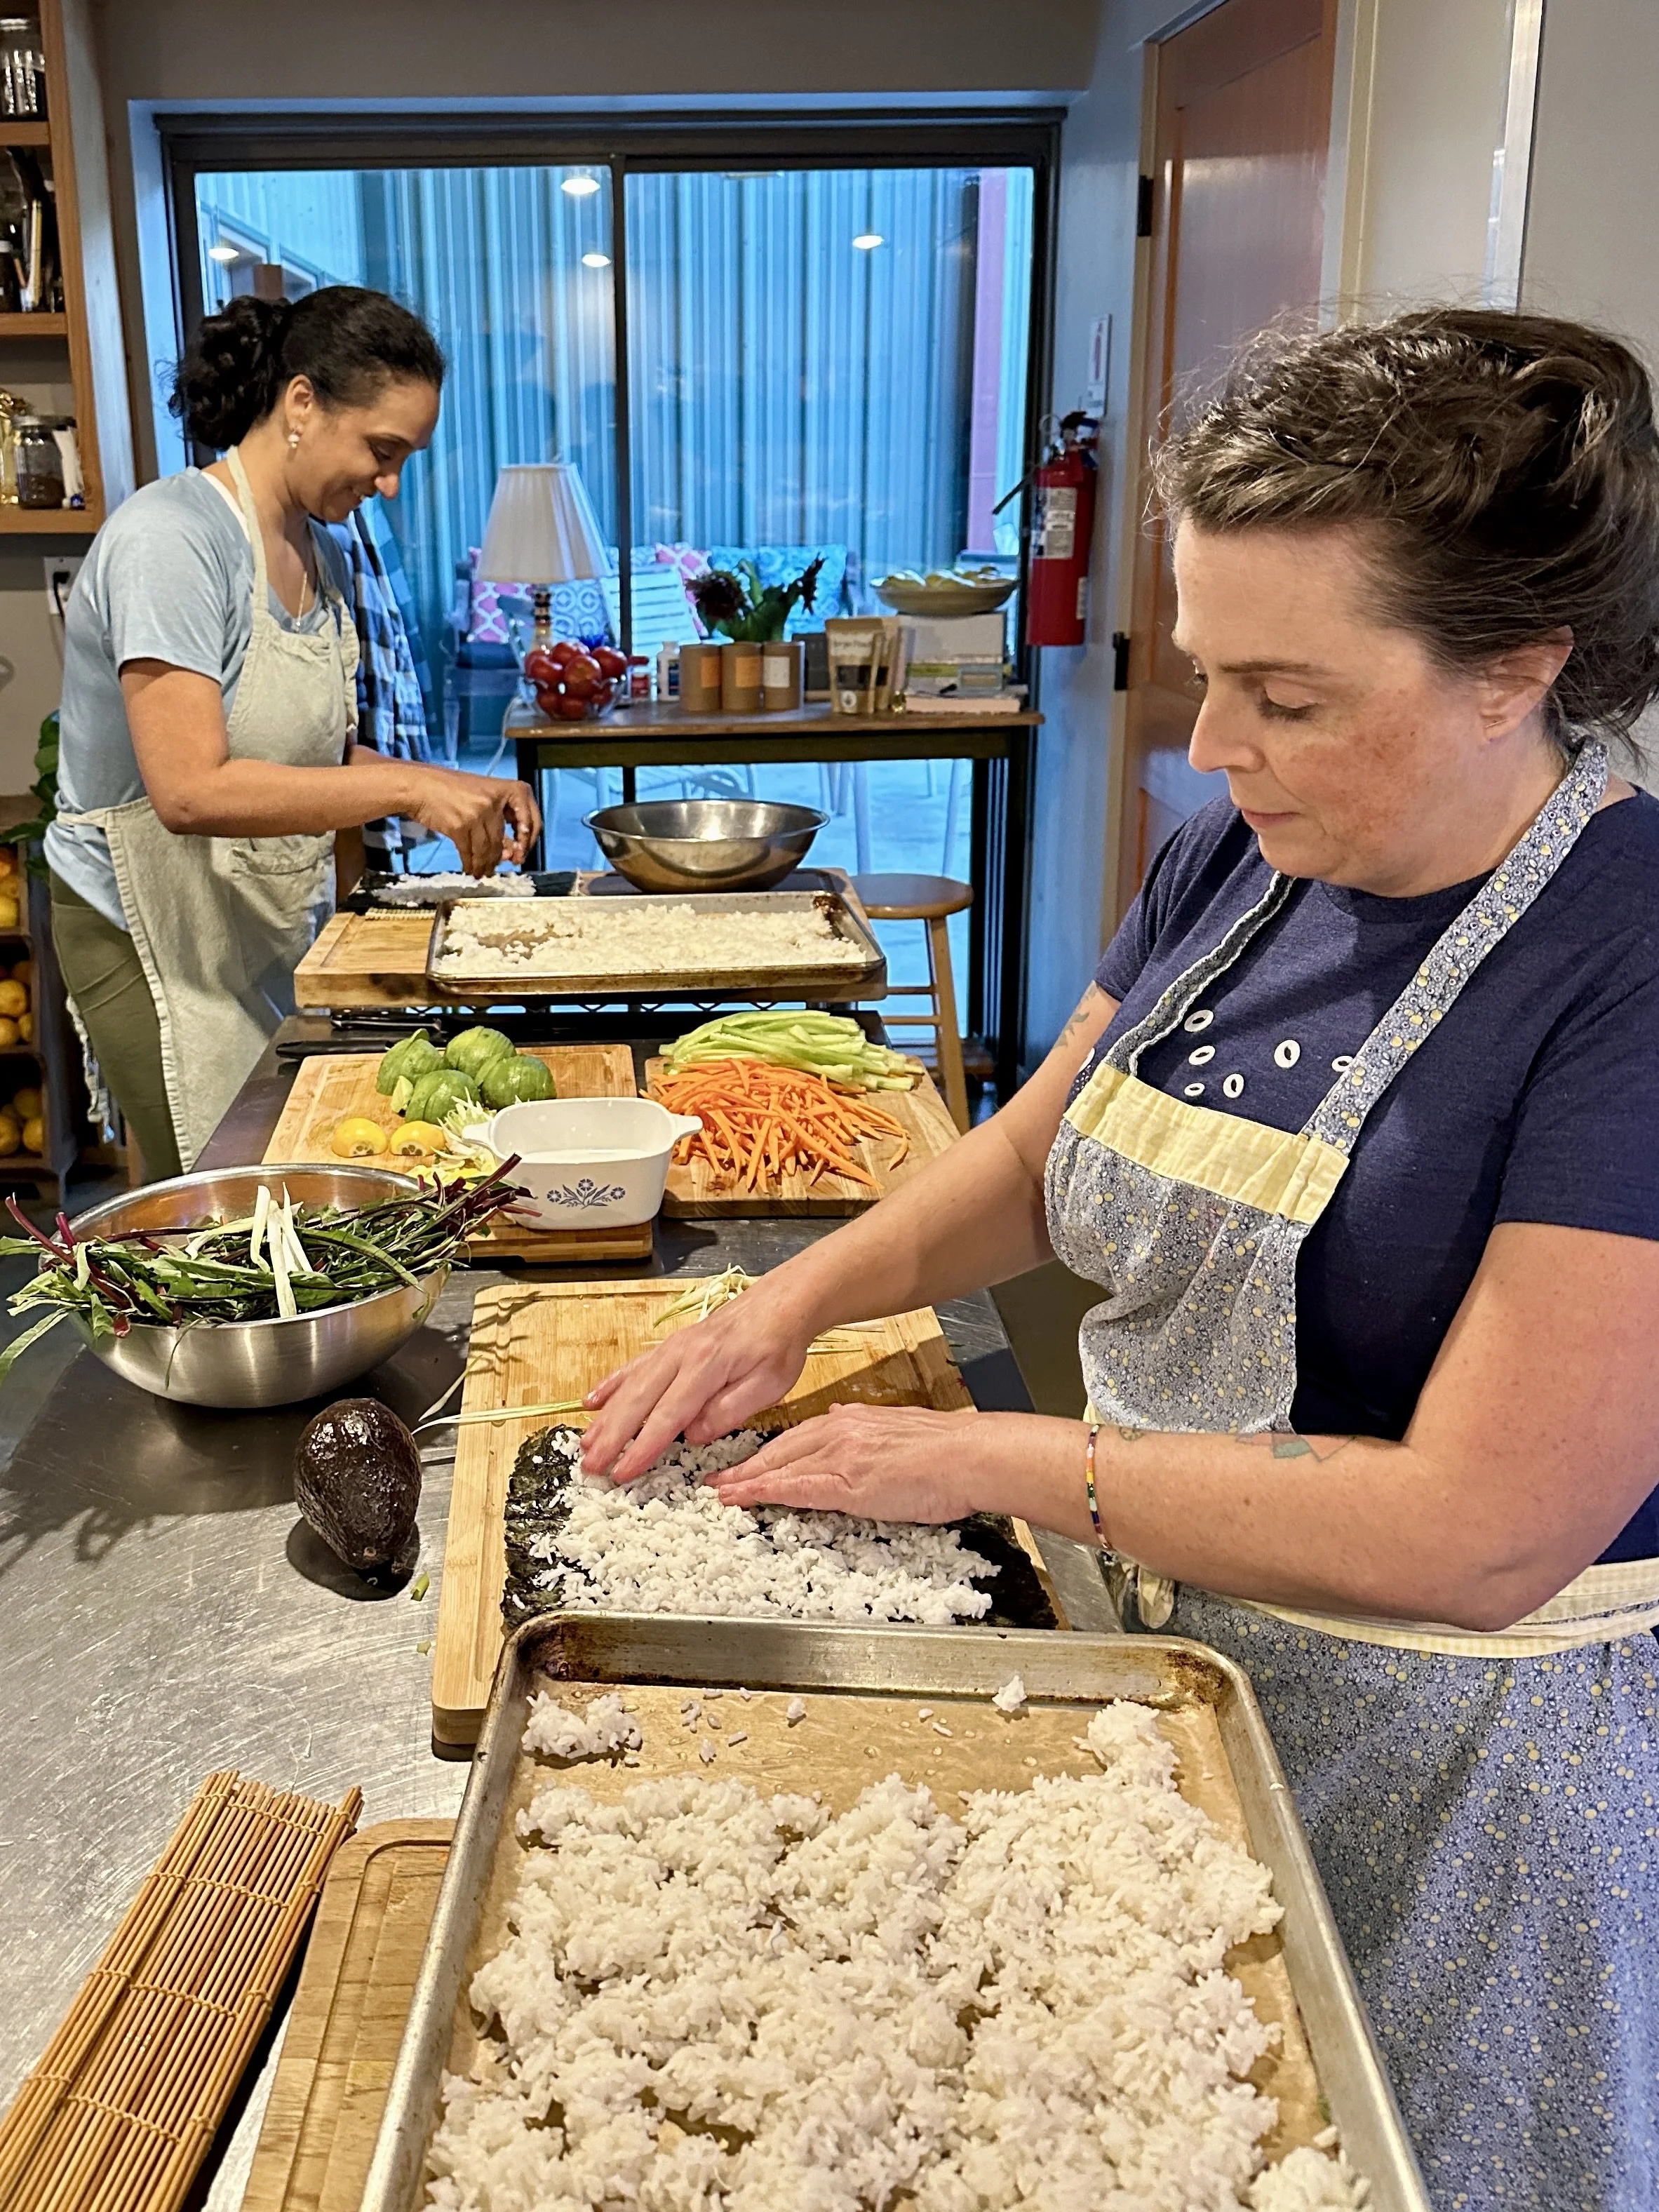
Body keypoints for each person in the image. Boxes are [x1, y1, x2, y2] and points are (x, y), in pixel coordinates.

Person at [579, 309, 1659, 2207]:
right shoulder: (1237, 857)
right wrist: (792, 1297)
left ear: (1517, 670)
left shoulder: (1621, 963)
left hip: (1446, 1776)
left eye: (1289, 694)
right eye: (1204, 672)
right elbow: (1024, 1155)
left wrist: (987, 1461)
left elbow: (1486, 1531)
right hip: (1147, 1661)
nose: (1210, 743)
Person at [46, 286, 540, 1178]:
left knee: (284, 1175)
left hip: (254, 917)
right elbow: (191, 788)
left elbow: (306, 753)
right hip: (149, 930)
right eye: (382, 451)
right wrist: (409, 788)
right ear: (302, 403)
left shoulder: (324, 553)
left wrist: (449, 783)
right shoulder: (172, 539)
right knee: (215, 1205)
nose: (389, 484)